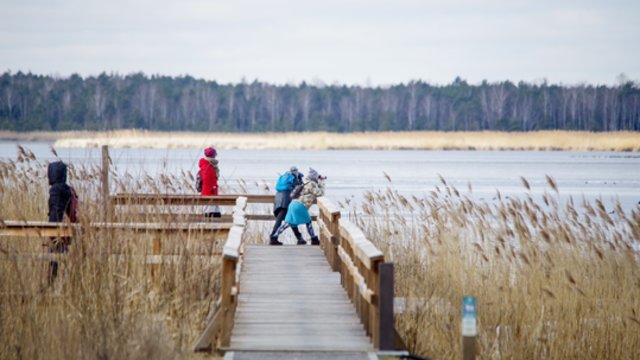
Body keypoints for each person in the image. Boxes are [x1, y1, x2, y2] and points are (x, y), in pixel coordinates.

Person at [272, 168, 326, 245]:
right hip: (301, 205)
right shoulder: (312, 184)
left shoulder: (305, 183)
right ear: (314, 177)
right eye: (317, 177)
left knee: (288, 222)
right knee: (308, 221)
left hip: (293, 204)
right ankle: (314, 239)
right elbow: (320, 193)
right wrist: (322, 183)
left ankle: (274, 237)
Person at [47, 160, 78, 284]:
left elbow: (55, 213)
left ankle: (52, 285)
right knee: (64, 258)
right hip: (67, 230)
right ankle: (65, 284)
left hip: (57, 231)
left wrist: (52, 233)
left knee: (53, 259)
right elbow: (72, 212)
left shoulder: (56, 190)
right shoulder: (69, 190)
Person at [269, 166, 304, 245]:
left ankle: (299, 238)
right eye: (297, 171)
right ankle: (273, 237)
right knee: (282, 220)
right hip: (286, 201)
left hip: (278, 200)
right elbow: (299, 189)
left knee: (290, 219)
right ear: (296, 171)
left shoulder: (285, 178)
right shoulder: (294, 178)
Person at [199, 146, 221, 217]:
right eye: (215, 154)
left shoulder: (211, 165)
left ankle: (214, 228)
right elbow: (207, 181)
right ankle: (208, 228)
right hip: (209, 194)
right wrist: (212, 191)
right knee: (210, 215)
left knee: (216, 215)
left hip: (212, 193)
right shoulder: (207, 166)